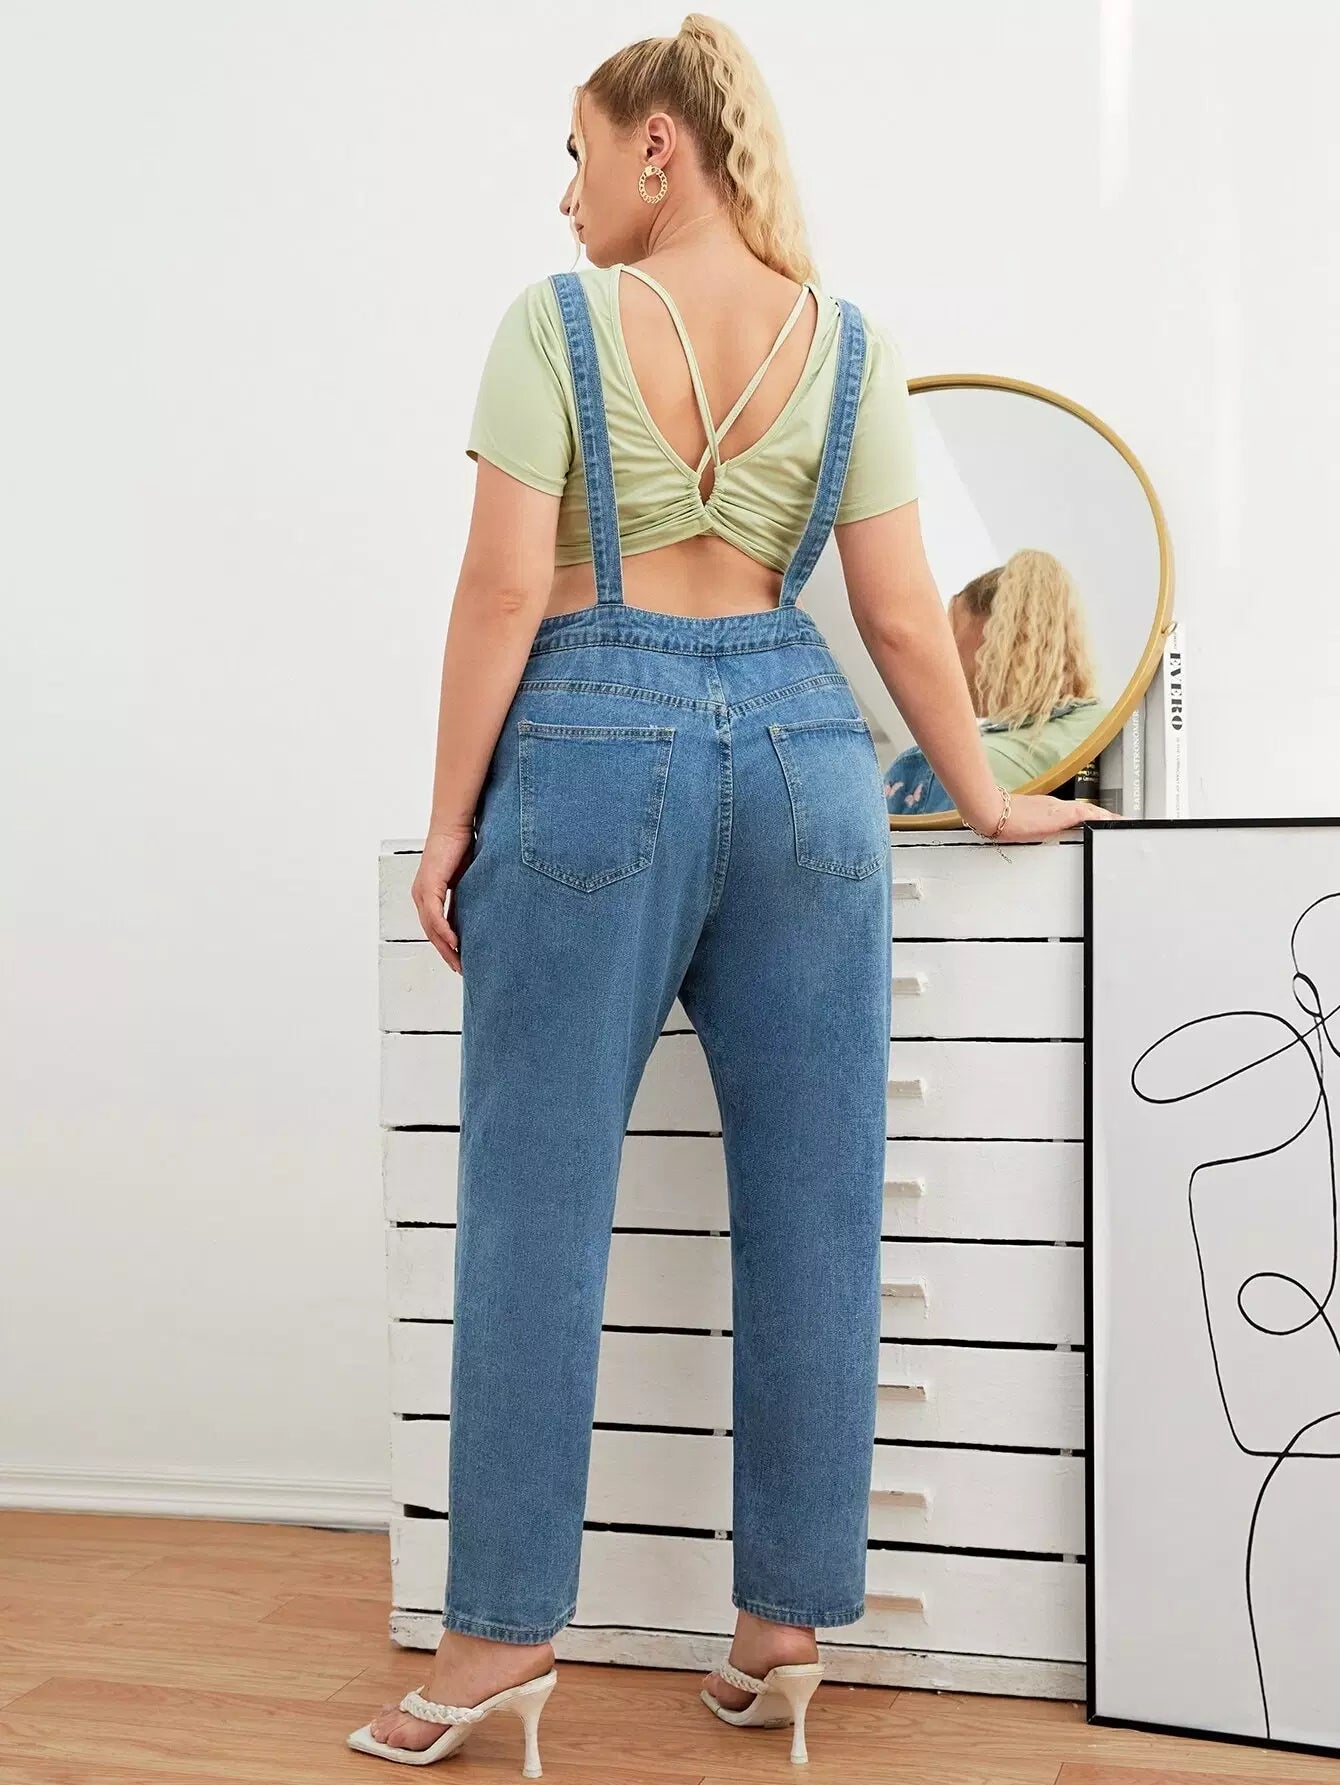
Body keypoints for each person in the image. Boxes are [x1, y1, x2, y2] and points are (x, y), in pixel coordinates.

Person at [354, 12, 1120, 1772]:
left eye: (574, 154)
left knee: (535, 1204)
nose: (562, 198)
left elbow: (500, 592)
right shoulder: (850, 344)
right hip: (805, 754)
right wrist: (988, 796)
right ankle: (783, 1629)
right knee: (817, 1198)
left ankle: (498, 1641)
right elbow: (905, 620)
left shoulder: (552, 325)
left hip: (590, 744)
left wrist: (449, 821)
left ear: (658, 146)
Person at [884, 549, 1112, 815]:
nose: (944, 651)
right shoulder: (1111, 728)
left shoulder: (930, 769)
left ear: (992, 634)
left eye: (951, 629)